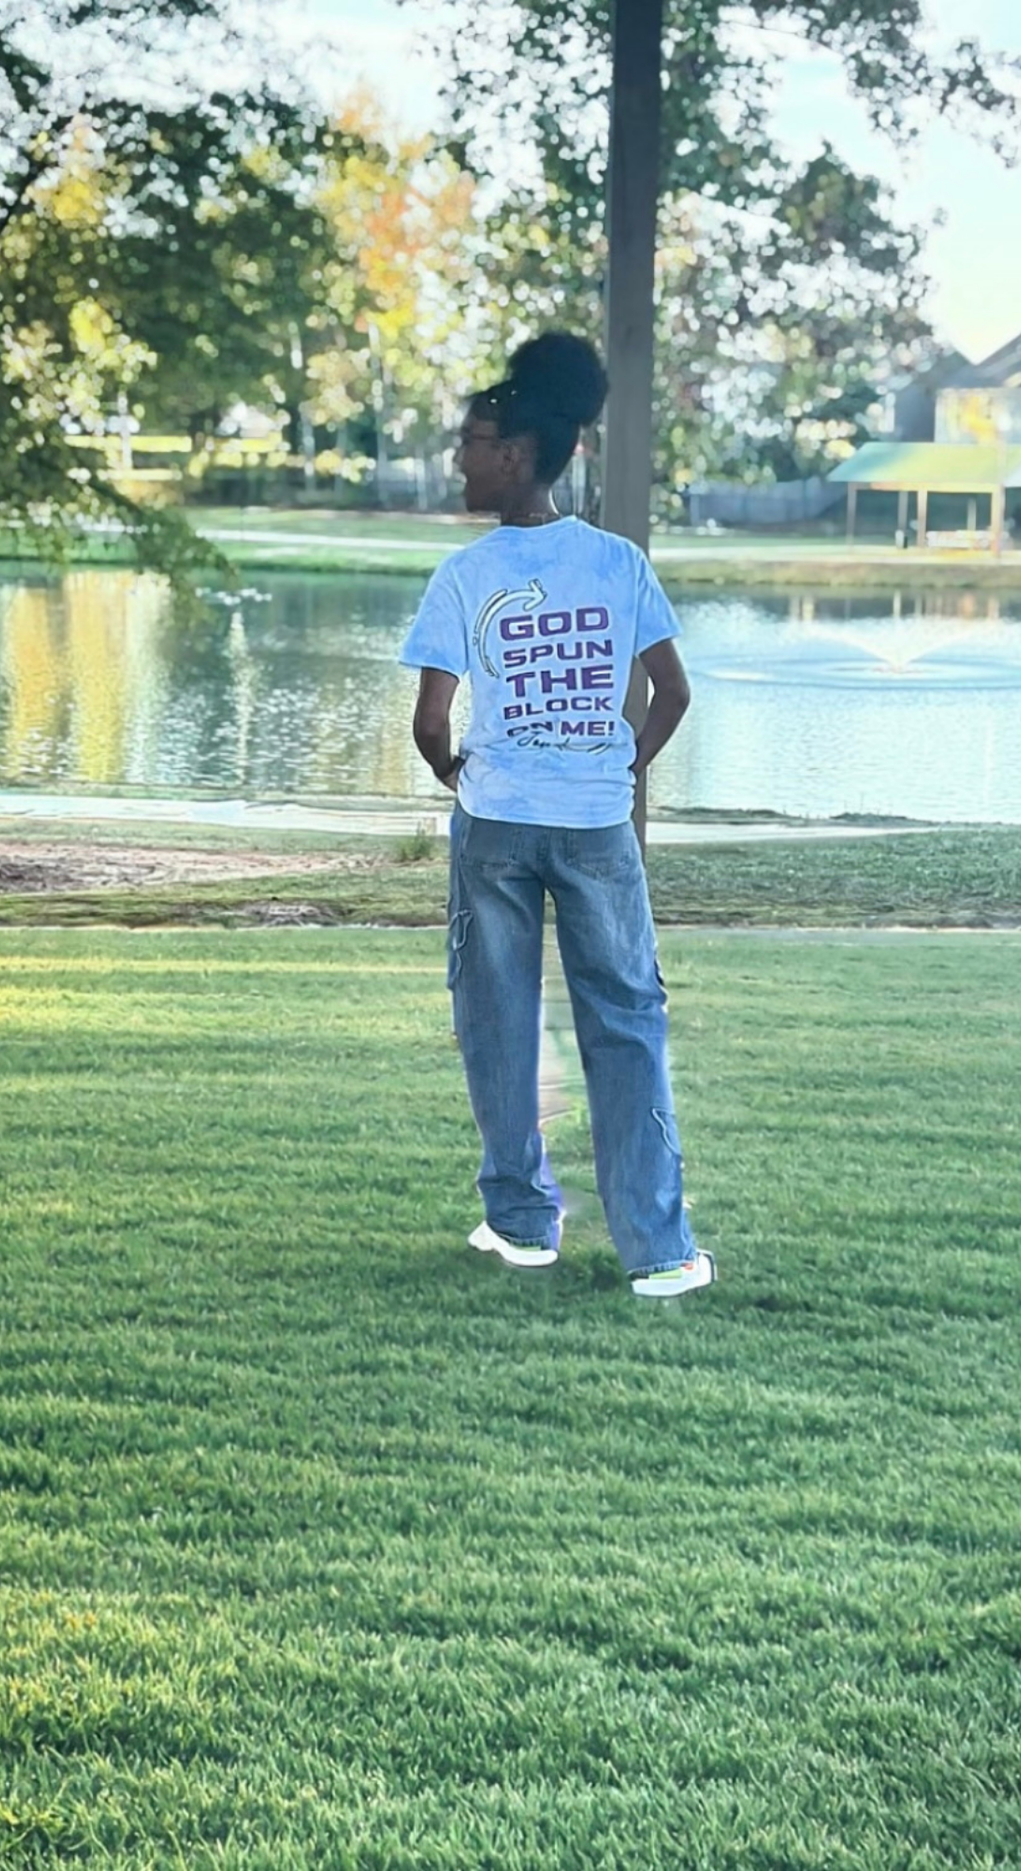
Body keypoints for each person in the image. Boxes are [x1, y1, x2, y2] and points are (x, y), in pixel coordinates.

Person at [399, 331, 715, 1300]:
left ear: (517, 453)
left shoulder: (464, 574)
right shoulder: (618, 563)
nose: (460, 458)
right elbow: (671, 692)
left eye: (471, 442)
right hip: (595, 826)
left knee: (496, 1019)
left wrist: (453, 771)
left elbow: (430, 721)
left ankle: (522, 1222)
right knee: (624, 1022)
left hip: (494, 824)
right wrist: (620, 766)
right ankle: (658, 1252)